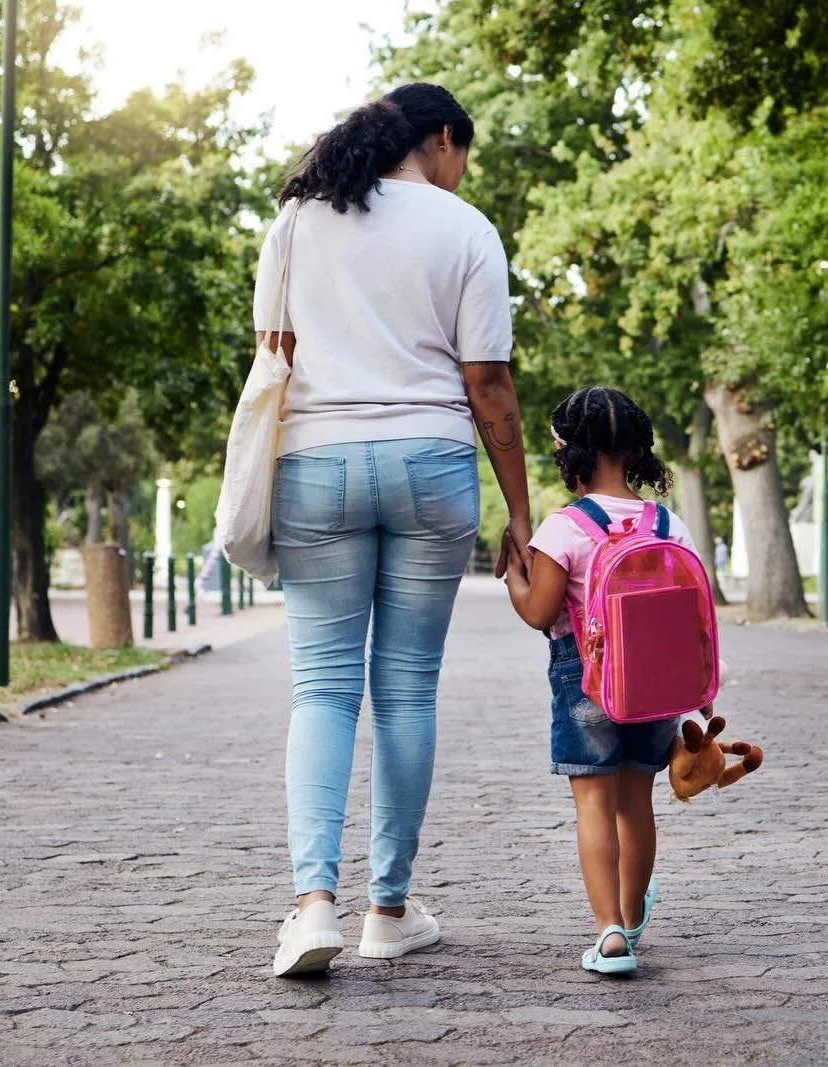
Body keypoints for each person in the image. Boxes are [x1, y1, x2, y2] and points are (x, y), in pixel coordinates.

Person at [260, 83, 531, 977]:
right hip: (431, 466)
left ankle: (310, 908)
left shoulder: (298, 221)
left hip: (319, 466)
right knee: (407, 691)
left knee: (323, 690)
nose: (462, 174)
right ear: (443, 140)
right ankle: (388, 907)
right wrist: (521, 511)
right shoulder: (466, 230)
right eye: (464, 156)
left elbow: (277, 358)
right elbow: (487, 383)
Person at [503, 387, 697, 975]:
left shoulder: (565, 527)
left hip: (584, 678)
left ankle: (608, 933)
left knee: (593, 805)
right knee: (637, 804)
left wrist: (514, 575)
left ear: (570, 453)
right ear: (639, 449)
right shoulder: (668, 523)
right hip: (653, 684)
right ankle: (634, 920)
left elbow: (540, 612)